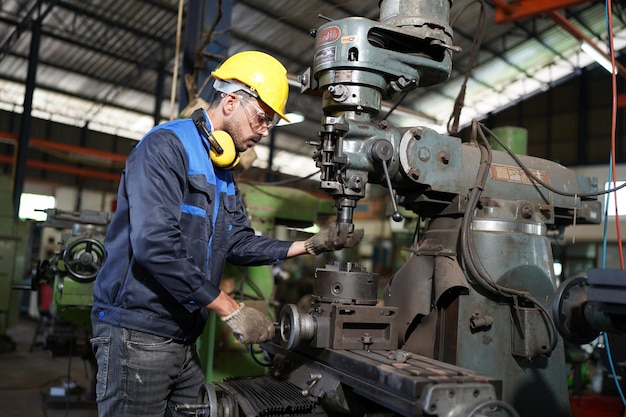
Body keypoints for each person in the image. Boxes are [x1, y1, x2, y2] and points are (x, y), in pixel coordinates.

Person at [89, 50, 362, 417]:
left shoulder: (222, 170)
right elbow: (154, 247)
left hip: (183, 336)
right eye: (262, 119)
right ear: (231, 101)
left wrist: (309, 245)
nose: (265, 131)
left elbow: (237, 242)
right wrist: (232, 310)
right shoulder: (166, 147)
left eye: (270, 124)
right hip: (138, 333)